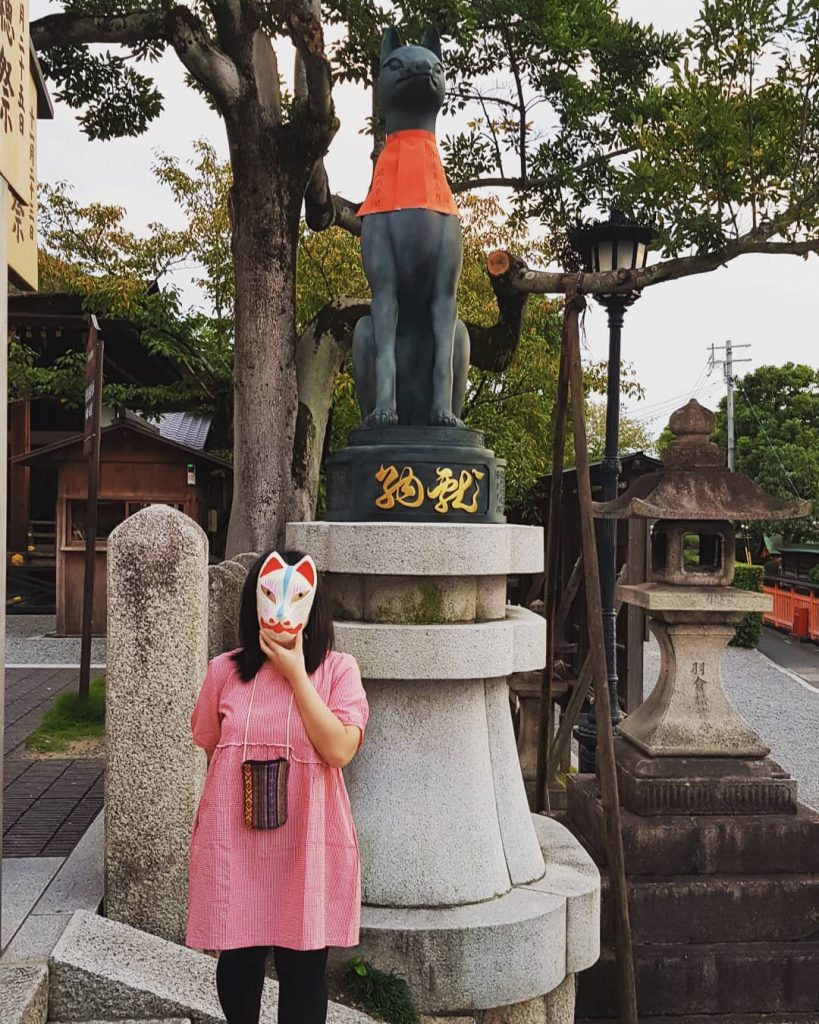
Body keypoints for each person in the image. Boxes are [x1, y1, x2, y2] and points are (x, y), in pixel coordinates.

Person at [185, 548, 369, 1024]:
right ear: (253, 603)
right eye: (269, 597)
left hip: (306, 841)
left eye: (296, 599)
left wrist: (294, 673)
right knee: (239, 958)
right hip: (237, 840)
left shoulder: (338, 670)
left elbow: (339, 750)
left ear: (313, 607)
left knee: (305, 964)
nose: (281, 611)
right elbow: (209, 742)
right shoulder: (223, 672)